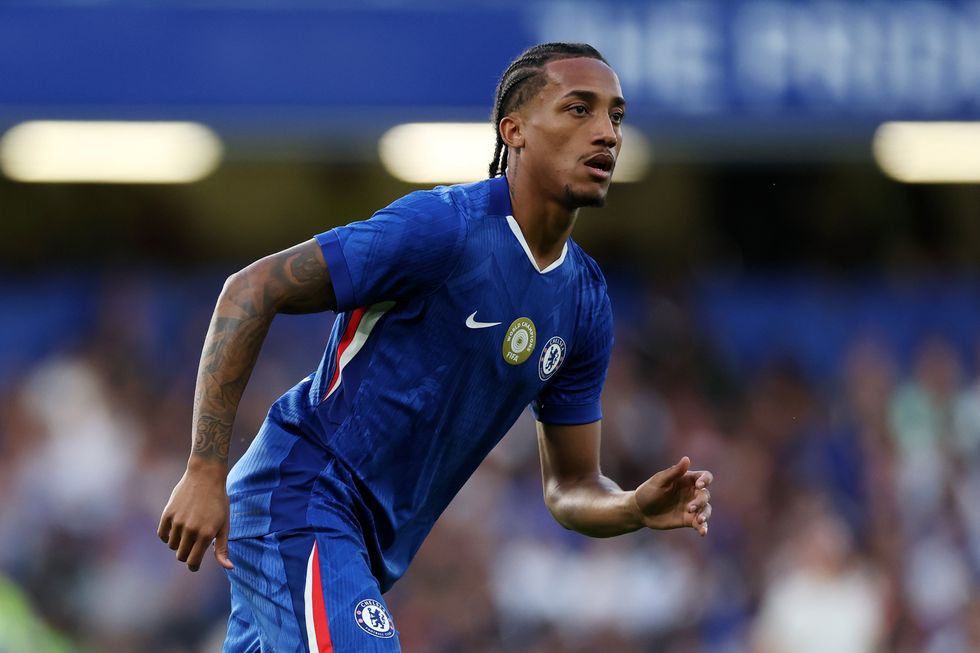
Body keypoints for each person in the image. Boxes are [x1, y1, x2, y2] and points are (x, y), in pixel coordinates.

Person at [158, 42, 714, 652]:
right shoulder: (443, 228)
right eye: (579, 110)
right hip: (302, 495)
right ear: (515, 130)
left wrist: (633, 506)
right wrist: (204, 469)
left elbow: (571, 485)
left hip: (364, 548)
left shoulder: (584, 302)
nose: (606, 133)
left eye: (615, 116)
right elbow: (250, 290)